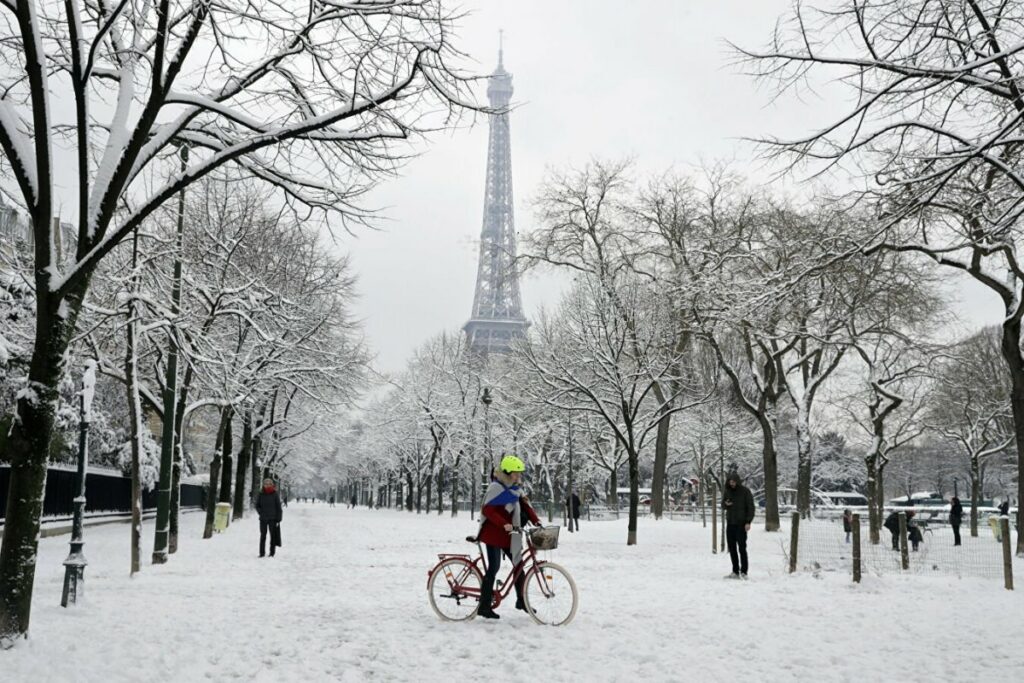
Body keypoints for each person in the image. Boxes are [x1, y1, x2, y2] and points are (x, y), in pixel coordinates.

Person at [476, 455, 542, 619]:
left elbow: (525, 506)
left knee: (519, 565)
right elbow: (487, 510)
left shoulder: (515, 489)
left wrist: (536, 520)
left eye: (519, 473)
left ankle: (521, 600)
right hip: (493, 534)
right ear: (507, 472)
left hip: (509, 535)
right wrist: (503, 523)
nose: (518, 476)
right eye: (516, 473)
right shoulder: (495, 487)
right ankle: (484, 607)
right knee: (494, 567)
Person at [721, 473, 755, 579]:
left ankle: (744, 572)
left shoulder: (745, 492)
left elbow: (751, 507)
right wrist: (726, 504)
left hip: (741, 524)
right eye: (730, 481)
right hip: (730, 523)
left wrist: (748, 522)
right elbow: (722, 505)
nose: (732, 483)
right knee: (732, 548)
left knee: (742, 548)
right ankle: (735, 571)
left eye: (733, 481)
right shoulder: (727, 491)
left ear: (737, 481)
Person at [255, 477, 283, 558]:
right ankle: (262, 553)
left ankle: (272, 553)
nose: (267, 485)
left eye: (269, 484)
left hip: (273, 519)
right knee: (263, 535)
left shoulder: (275, 494)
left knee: (272, 536)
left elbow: (278, 507)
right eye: (265, 484)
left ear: (272, 485)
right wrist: (260, 512)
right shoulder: (261, 494)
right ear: (263, 485)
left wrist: (279, 518)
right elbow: (257, 505)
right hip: (263, 518)